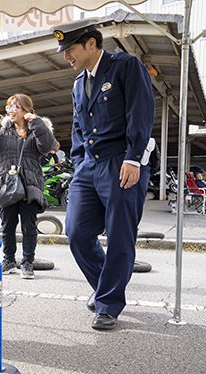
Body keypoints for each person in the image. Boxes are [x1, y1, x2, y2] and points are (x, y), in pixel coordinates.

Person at [52, 22, 154, 330]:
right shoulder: (78, 84)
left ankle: (109, 304)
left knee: (120, 235)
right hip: (89, 166)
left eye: (70, 49)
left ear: (91, 43)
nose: (66, 55)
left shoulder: (125, 66)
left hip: (121, 161)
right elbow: (78, 129)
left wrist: (134, 158)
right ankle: (104, 287)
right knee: (76, 232)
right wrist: (78, 163)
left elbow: (141, 111)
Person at [0, 94, 57, 279]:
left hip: (30, 183)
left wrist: (37, 123)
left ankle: (28, 262)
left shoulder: (37, 128)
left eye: (16, 107)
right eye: (9, 107)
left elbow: (46, 146)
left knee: (29, 226)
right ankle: (9, 259)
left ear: (26, 110)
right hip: (7, 183)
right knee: (7, 224)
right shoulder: (3, 129)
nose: (11, 111)